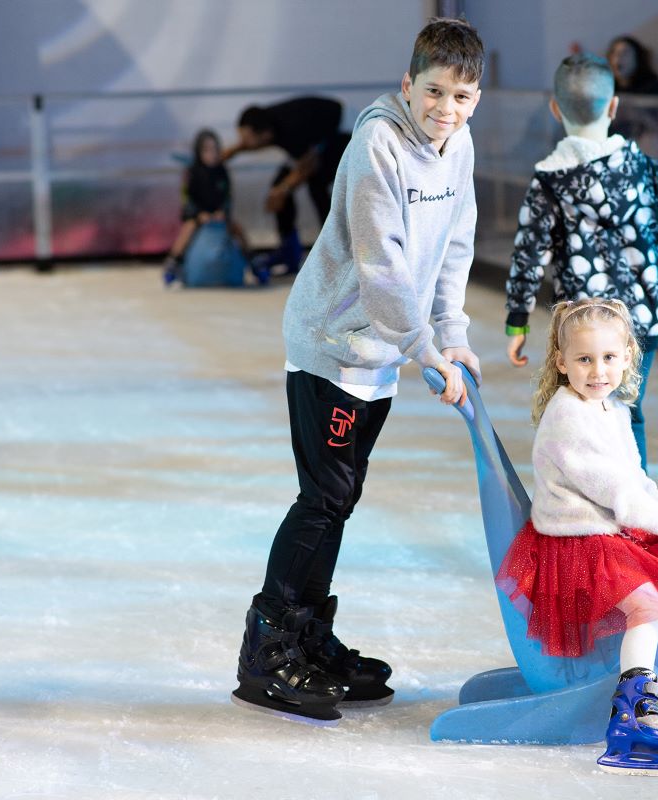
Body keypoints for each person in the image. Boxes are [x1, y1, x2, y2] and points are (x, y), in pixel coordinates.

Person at [231, 17, 484, 725]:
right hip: (333, 342)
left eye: (462, 97)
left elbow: (454, 243)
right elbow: (382, 261)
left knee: (338, 499)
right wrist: (424, 349)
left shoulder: (458, 144)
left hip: (381, 352)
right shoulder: (378, 141)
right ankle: (268, 651)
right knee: (323, 497)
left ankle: (307, 635)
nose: (445, 110)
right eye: (433, 92)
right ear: (408, 84)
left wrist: (451, 332)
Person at [495, 298, 658, 776]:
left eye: (608, 357)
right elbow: (619, 492)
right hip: (575, 545)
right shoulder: (569, 415)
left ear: (628, 355)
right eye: (584, 359)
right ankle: (634, 714)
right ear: (562, 362)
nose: (597, 370)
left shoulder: (613, 409)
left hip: (601, 529)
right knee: (647, 605)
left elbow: (636, 478)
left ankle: (640, 693)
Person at [504, 53, 658, 470]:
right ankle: (633, 512)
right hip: (640, 318)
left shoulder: (549, 180)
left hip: (582, 324)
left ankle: (586, 502)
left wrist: (517, 320)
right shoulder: (639, 165)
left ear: (555, 109)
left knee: (582, 410)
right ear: (613, 107)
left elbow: (528, 254)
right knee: (628, 410)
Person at [224, 96, 349, 275]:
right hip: (311, 143)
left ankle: (336, 251)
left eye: (247, 139)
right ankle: (289, 252)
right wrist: (230, 152)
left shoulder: (291, 131)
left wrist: (283, 190)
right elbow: (253, 144)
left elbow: (308, 165)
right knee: (278, 188)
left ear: (265, 135)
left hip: (339, 135)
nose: (245, 144)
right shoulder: (265, 121)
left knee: (316, 186)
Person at [162, 128, 247, 285]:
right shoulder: (192, 173)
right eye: (207, 150)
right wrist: (198, 214)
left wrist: (223, 212)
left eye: (215, 149)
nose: (212, 154)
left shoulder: (222, 171)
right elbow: (187, 198)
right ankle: (173, 262)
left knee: (237, 228)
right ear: (198, 152)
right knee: (188, 228)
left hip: (218, 215)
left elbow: (227, 196)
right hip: (197, 215)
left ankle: (251, 258)